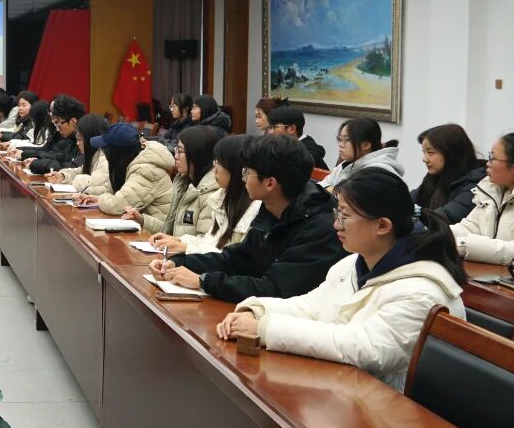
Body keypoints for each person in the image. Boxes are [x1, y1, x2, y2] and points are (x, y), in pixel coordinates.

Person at [216, 168, 467, 392]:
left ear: (382, 225)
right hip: (351, 392)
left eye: (345, 216)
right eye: (337, 213)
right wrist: (258, 310)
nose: (336, 224)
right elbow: (312, 306)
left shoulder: (421, 291)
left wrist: (265, 329)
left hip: (394, 414)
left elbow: (365, 348)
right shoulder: (355, 262)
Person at [151, 134, 346, 303]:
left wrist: (204, 281)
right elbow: (238, 258)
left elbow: (275, 289)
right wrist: (180, 262)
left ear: (270, 183)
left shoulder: (320, 228)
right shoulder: (273, 207)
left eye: (247, 172)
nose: (243, 178)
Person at [450, 132, 514, 265]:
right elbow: (470, 227)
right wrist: (437, 233)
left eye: (492, 158)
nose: (487, 164)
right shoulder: (492, 190)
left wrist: (463, 245)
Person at [134, 125, 220, 242]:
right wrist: (142, 220)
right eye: (176, 150)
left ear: (196, 154)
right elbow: (172, 231)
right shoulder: (184, 184)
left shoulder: (211, 195)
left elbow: (205, 243)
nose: (175, 156)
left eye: (180, 151)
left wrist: (176, 243)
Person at [181, 135, 262, 254]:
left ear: (235, 167)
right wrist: (179, 241)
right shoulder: (222, 198)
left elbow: (231, 259)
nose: (214, 169)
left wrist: (185, 247)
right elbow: (210, 243)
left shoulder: (256, 210)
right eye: (214, 162)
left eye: (219, 163)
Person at [81, 122, 174, 220]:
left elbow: (116, 206)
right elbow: (111, 188)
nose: (104, 153)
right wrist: (88, 194)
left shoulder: (147, 171)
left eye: (105, 149)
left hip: (153, 227)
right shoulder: (130, 160)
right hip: (135, 224)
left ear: (117, 152)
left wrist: (100, 200)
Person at [412, 123, 488, 224]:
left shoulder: (476, 183)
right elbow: (405, 200)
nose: (424, 159)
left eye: (430, 153)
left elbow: (447, 217)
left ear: (451, 153)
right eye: (424, 152)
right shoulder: (434, 176)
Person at [320, 118, 403, 190]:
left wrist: (331, 191)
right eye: (340, 139)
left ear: (366, 145)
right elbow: (322, 185)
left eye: (346, 140)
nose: (340, 144)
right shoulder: (345, 165)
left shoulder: (378, 173)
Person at [21, 94, 84, 174]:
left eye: (57, 123)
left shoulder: (85, 138)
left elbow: (73, 166)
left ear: (73, 121)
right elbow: (59, 155)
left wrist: (36, 163)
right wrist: (37, 158)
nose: (57, 129)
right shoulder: (70, 137)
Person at [51, 113, 110, 195]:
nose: (77, 143)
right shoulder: (95, 154)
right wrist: (63, 176)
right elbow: (80, 171)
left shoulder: (105, 157)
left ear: (90, 137)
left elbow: (92, 182)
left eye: (79, 139)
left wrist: (74, 181)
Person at [265, 103, 328, 170]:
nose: (270, 132)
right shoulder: (284, 147)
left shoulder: (305, 155)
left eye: (273, 127)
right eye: (269, 128)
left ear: (292, 129)